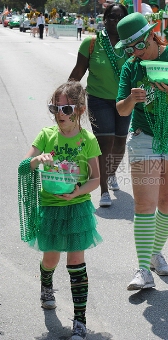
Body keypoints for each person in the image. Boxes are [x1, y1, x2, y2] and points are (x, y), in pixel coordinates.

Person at [115, 13, 168, 290]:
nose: (135, 53)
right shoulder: (132, 66)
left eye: (138, 46)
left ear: (152, 35)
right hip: (144, 137)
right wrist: (132, 98)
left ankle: (155, 252)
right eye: (129, 49)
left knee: (167, 204)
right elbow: (121, 109)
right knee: (144, 205)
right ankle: (143, 269)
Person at [18, 81, 102, 339]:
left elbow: (96, 178)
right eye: (55, 107)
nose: (59, 114)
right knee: (51, 259)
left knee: (76, 262)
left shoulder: (87, 139)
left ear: (80, 109)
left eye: (65, 108)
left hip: (77, 207)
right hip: (51, 208)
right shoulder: (46, 136)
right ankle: (46, 284)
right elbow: (24, 166)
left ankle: (80, 320)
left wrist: (78, 191)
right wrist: (37, 159)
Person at [69, 3, 130, 207]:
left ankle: (110, 173)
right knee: (106, 143)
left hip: (124, 101)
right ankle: (103, 190)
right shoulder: (91, 43)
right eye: (112, 17)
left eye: (120, 17)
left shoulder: (131, 44)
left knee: (120, 143)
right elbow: (78, 72)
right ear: (105, 19)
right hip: (98, 100)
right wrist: (67, 97)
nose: (115, 21)